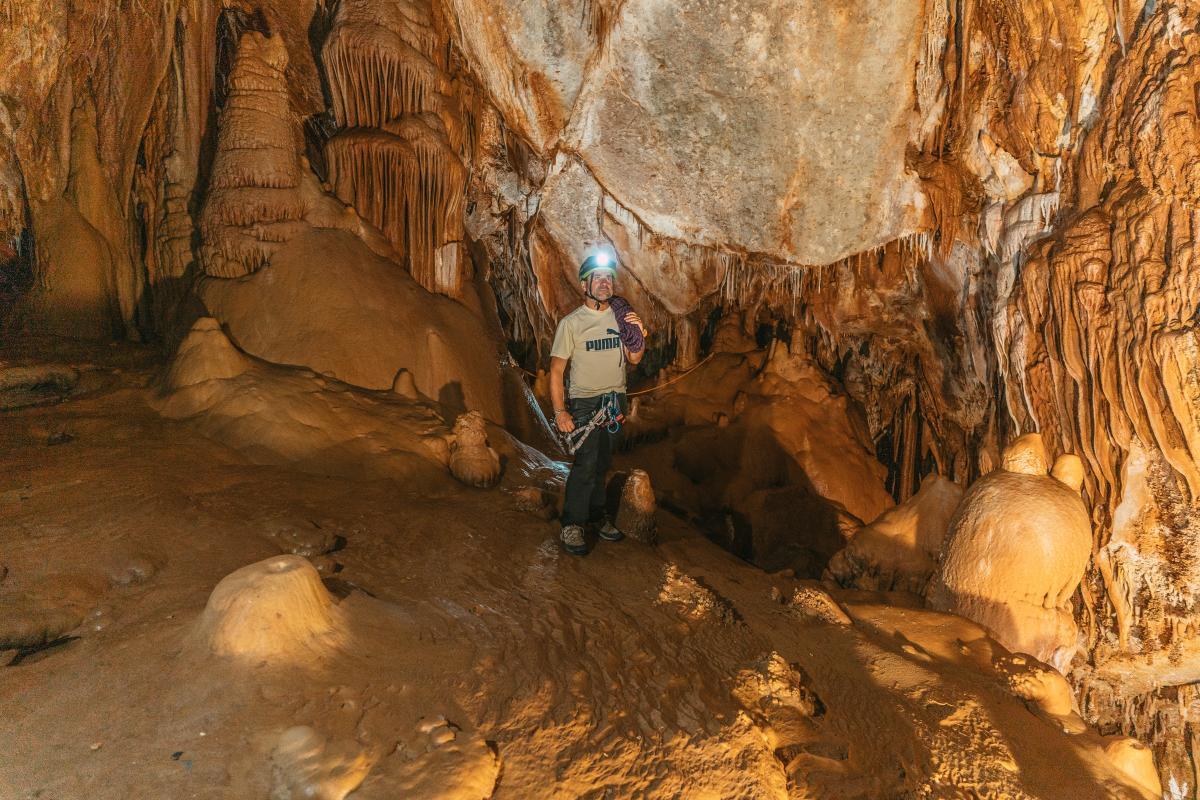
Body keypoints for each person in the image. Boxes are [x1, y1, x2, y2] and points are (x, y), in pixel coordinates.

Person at [549, 251, 647, 555]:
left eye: (608, 278)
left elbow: (634, 358)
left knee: (603, 462)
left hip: (615, 399)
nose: (604, 283)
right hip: (585, 401)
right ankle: (572, 523)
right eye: (598, 278)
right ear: (585, 285)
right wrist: (560, 411)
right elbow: (556, 370)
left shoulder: (620, 317)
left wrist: (638, 336)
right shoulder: (571, 324)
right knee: (586, 463)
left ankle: (595, 515)